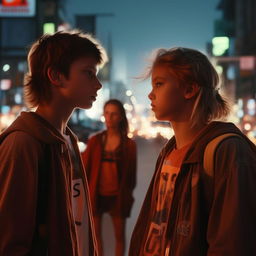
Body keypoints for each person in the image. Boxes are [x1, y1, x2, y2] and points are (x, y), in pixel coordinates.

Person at [129, 47, 256, 256]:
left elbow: (233, 242)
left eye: (159, 84)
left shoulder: (228, 151)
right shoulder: (168, 152)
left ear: (189, 90)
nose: (151, 94)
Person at [0, 30, 107, 255]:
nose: (98, 84)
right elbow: (10, 238)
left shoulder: (67, 140)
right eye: (88, 73)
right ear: (56, 76)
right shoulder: (24, 143)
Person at [82, 99, 137, 256]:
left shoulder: (129, 145)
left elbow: (131, 177)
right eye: (106, 113)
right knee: (96, 236)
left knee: (119, 236)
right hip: (97, 195)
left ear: (120, 117)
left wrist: (126, 194)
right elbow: (85, 167)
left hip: (117, 196)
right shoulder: (95, 141)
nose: (109, 118)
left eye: (114, 114)